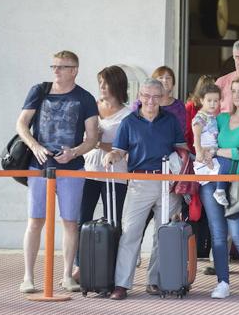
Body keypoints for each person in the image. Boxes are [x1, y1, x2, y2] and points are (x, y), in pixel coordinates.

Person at [17, 50, 98, 293]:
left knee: (70, 223)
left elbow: (92, 137)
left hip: (71, 168)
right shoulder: (39, 91)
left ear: (74, 70)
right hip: (39, 167)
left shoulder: (85, 98)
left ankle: (66, 276)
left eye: (61, 67)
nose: (56, 70)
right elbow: (21, 124)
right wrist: (35, 146)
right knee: (35, 221)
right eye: (53, 66)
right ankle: (28, 277)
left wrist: (74, 152)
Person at [105, 78, 187, 300]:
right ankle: (122, 283)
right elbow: (119, 150)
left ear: (162, 98)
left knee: (163, 234)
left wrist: (181, 163)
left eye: (156, 97)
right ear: (139, 97)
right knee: (130, 232)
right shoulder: (129, 122)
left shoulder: (171, 121)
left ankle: (156, 282)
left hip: (167, 183)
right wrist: (113, 155)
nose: (151, 101)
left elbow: (181, 149)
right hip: (139, 183)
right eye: (146, 96)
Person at [197, 76, 239, 300]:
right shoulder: (221, 118)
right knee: (218, 236)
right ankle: (222, 282)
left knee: (238, 234)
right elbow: (202, 130)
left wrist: (216, 151)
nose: (236, 95)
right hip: (211, 181)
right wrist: (204, 148)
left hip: (237, 183)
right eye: (233, 91)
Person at [73, 65, 131, 282]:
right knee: (81, 219)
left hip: (114, 174)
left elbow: (126, 147)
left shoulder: (128, 115)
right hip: (88, 170)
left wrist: (98, 142)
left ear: (118, 85)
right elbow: (79, 139)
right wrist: (90, 141)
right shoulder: (91, 108)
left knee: (113, 221)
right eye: (100, 83)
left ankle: (110, 266)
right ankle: (80, 266)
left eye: (106, 83)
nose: (102, 87)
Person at [135, 66, 186, 266]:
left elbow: (180, 137)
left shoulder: (176, 110)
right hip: (142, 176)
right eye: (160, 77)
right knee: (136, 225)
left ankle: (156, 276)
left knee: (163, 224)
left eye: (168, 77)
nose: (165, 80)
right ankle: (132, 262)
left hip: (168, 170)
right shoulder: (136, 111)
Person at [190, 81, 232, 207]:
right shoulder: (201, 117)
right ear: (202, 100)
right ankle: (219, 190)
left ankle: (220, 189)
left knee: (226, 163)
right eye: (209, 100)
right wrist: (199, 151)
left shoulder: (212, 116)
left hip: (212, 150)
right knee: (226, 162)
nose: (213, 104)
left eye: (216, 100)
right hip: (205, 149)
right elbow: (196, 135)